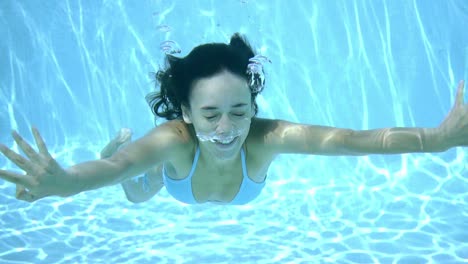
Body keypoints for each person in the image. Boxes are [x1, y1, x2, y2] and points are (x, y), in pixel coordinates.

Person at [0, 33, 466, 204]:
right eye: (210, 114)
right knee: (137, 191)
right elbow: (112, 170)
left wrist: (441, 137)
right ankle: (115, 141)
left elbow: (351, 140)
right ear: (185, 112)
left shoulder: (266, 139)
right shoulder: (175, 139)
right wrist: (66, 182)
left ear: (254, 108)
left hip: (198, 179)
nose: (226, 129)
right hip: (175, 178)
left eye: (239, 111)